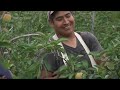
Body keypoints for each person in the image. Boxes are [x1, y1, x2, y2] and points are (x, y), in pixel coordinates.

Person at [40, 11, 103, 79]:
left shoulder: (87, 39)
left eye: (68, 16)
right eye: (59, 19)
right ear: (51, 23)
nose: (66, 22)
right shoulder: (49, 50)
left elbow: (105, 65)